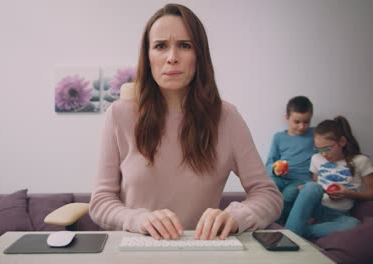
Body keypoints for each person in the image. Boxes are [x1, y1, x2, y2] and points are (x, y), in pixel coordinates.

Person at [89, 3, 282, 241]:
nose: (172, 58)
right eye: (160, 46)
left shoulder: (227, 117)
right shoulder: (119, 115)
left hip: (201, 250)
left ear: (199, 55)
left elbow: (268, 195)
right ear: (148, 57)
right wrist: (137, 219)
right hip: (135, 249)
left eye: (184, 45)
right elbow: (100, 202)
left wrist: (237, 216)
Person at [285, 116, 373, 239]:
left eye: (327, 148)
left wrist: (349, 194)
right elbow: (316, 186)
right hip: (317, 208)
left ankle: (296, 233)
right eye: (319, 149)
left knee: (354, 224)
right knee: (310, 186)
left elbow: (371, 193)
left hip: (339, 214)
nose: (323, 154)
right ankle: (289, 236)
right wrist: (306, 190)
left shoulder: (360, 161)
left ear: (342, 142)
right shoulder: (316, 159)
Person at [265, 96, 315, 224]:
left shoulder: (315, 135)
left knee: (287, 196)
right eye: (297, 122)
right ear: (287, 118)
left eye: (306, 122)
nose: (302, 126)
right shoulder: (279, 137)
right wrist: (275, 168)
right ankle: (262, 220)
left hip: (299, 181)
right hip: (280, 178)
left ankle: (278, 225)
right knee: (267, 189)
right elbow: (269, 164)